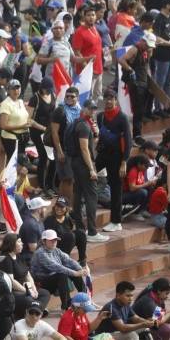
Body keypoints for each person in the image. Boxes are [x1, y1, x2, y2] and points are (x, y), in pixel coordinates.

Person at [68, 99, 110, 242]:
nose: (93, 111)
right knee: (91, 197)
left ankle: (80, 229)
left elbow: (89, 145)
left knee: (78, 195)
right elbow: (84, 149)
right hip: (84, 165)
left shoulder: (79, 123)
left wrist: (96, 135)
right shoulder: (84, 126)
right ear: (84, 109)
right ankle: (92, 232)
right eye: (90, 109)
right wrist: (91, 169)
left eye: (94, 109)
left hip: (76, 163)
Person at [97, 89, 132, 233]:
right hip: (103, 154)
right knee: (88, 173)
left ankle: (116, 221)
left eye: (111, 99)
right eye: (106, 98)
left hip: (117, 158)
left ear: (116, 100)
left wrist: (124, 161)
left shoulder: (122, 118)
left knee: (116, 189)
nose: (108, 101)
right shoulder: (100, 117)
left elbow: (128, 141)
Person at [30, 229, 87, 311]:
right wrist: (75, 273)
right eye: (51, 240)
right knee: (62, 274)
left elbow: (68, 260)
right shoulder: (40, 253)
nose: (54, 242)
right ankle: (65, 307)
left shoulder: (56, 250)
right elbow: (57, 267)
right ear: (44, 241)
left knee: (71, 269)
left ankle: (85, 299)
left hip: (53, 279)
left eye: (55, 240)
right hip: (41, 284)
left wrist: (81, 269)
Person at [0, 233, 50, 319]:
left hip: (25, 288)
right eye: (19, 242)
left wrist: (33, 289)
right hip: (13, 291)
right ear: (12, 244)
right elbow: (12, 281)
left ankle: (37, 311)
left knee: (44, 293)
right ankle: (36, 311)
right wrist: (28, 292)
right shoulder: (6, 259)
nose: (22, 244)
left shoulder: (19, 256)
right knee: (28, 299)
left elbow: (28, 275)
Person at [44, 196, 87, 266]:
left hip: (67, 243)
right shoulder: (49, 219)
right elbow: (47, 240)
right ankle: (64, 261)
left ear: (66, 208)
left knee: (81, 233)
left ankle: (82, 261)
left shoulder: (67, 218)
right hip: (54, 246)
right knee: (70, 236)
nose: (59, 209)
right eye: (57, 206)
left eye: (62, 207)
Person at [72, 7, 103, 100]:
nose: (91, 17)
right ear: (84, 17)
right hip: (87, 71)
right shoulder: (79, 32)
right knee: (85, 99)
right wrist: (86, 67)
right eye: (88, 15)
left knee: (96, 98)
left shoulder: (94, 28)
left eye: (93, 15)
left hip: (98, 69)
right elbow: (76, 51)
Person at [0, 79, 30, 160]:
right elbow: (3, 125)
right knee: (13, 164)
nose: (16, 91)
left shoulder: (20, 101)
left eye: (17, 88)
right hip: (11, 138)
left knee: (20, 161)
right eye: (13, 89)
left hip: (22, 137)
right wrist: (21, 126)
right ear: (8, 90)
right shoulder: (6, 104)